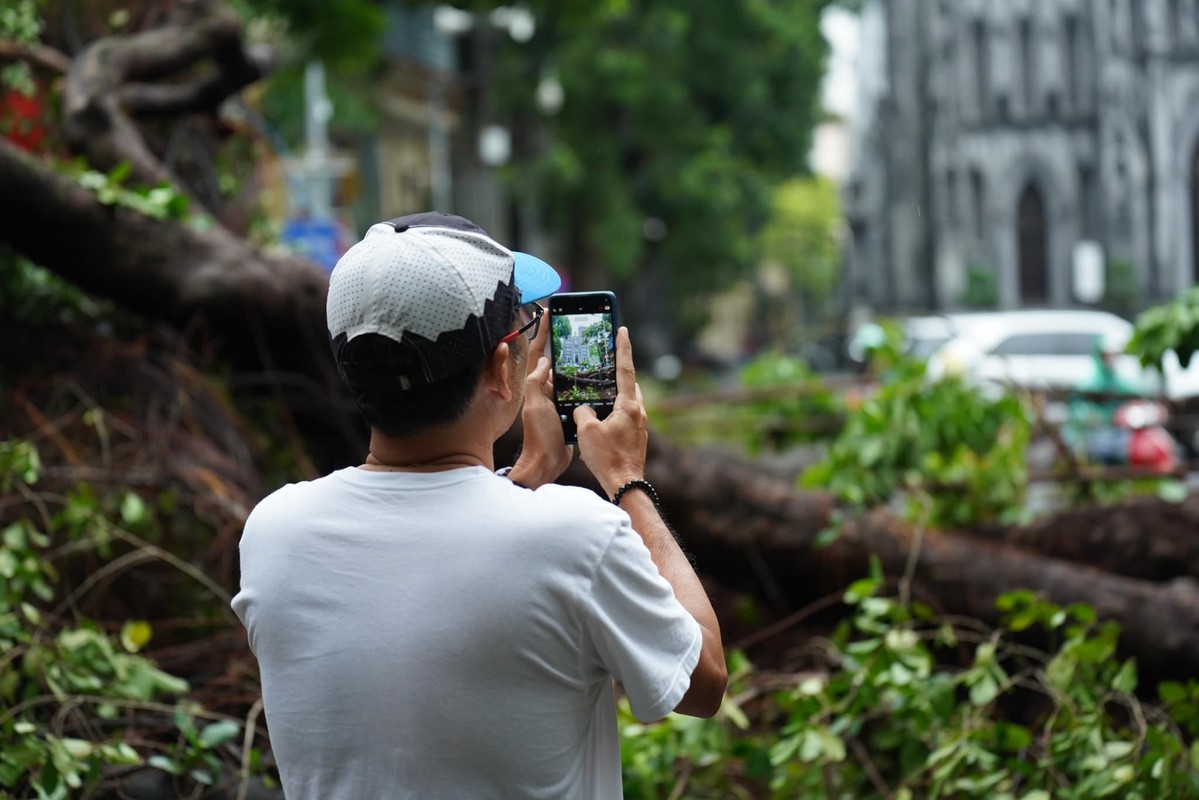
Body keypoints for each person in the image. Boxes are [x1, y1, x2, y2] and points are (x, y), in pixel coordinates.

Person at [231, 212, 726, 799]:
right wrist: (626, 480)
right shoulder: (574, 535)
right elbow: (704, 681)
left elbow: (428, 583)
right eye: (523, 330)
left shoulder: (273, 531)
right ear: (499, 368)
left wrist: (526, 479)